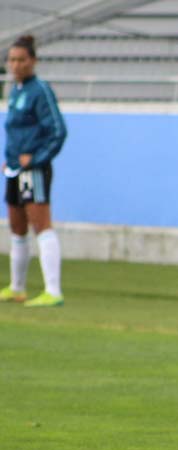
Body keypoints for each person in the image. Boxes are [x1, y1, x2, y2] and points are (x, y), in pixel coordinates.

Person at [1, 34, 67, 307]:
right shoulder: (14, 90)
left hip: (35, 170)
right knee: (16, 226)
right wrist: (10, 159)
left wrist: (36, 158)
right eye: (11, 59)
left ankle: (53, 290)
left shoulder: (40, 90)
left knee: (40, 224)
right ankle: (17, 287)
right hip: (14, 169)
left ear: (33, 61)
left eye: (21, 60)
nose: (16, 65)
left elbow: (58, 131)